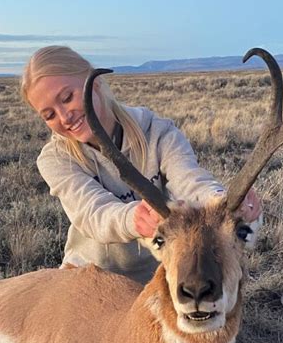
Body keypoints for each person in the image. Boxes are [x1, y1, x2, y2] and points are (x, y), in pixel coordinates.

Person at [21, 45, 262, 285]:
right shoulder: (55, 158)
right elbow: (92, 213)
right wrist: (133, 219)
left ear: (93, 83)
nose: (64, 117)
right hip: (89, 276)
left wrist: (223, 202)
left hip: (160, 276)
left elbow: (189, 180)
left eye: (67, 98)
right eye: (49, 115)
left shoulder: (157, 132)